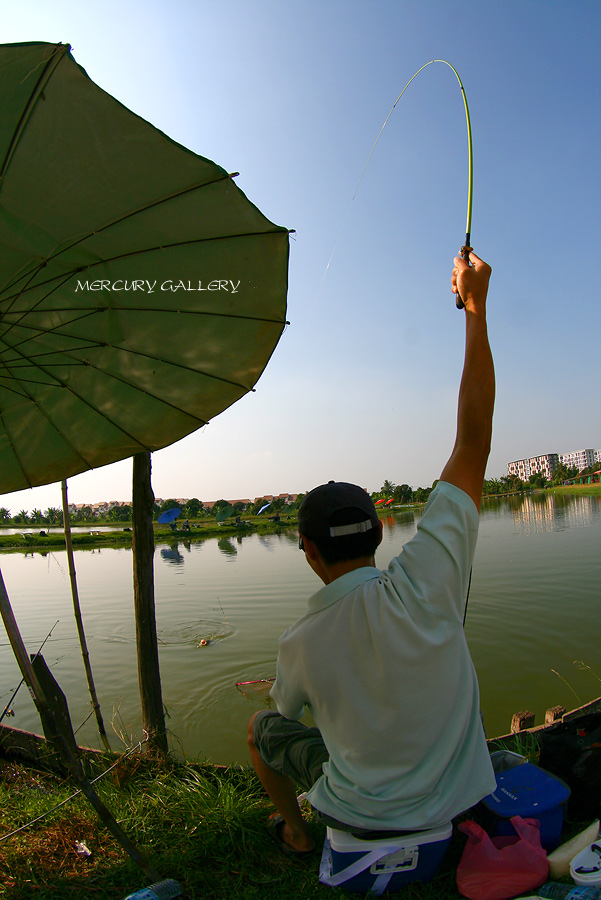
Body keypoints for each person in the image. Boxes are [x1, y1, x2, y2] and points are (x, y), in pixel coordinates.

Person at [248, 250, 496, 857]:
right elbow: (473, 436)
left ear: (306, 550)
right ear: (381, 532)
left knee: (262, 730)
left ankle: (299, 835)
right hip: (460, 801)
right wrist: (475, 307)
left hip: (361, 822)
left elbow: (284, 712)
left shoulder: (299, 641)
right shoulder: (427, 579)